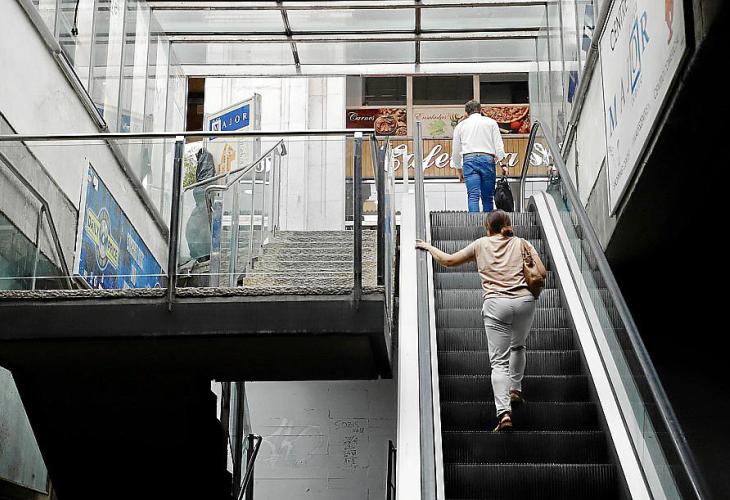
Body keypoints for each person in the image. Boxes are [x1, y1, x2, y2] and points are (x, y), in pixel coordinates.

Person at [416, 210, 543, 431]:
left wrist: (429, 247)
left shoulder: (480, 244)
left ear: (488, 228)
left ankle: (504, 414)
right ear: (508, 224)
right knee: (518, 346)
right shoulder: (522, 243)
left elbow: (449, 260)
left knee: (499, 363)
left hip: (496, 305)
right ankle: (515, 389)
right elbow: (540, 271)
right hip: (524, 302)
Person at [451, 100, 507, 213]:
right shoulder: (491, 123)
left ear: (466, 112)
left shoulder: (460, 126)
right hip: (487, 159)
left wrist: (459, 169)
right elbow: (499, 146)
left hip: (469, 160)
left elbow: (456, 150)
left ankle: (474, 222)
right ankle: (489, 223)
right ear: (480, 110)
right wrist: (503, 164)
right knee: (488, 197)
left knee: (473, 196)